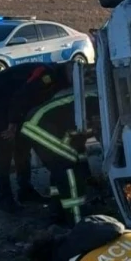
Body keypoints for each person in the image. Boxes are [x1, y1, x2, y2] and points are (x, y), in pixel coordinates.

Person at [0, 62, 68, 212]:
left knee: (23, 145)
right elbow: (21, 96)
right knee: (4, 148)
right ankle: (4, 198)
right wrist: (12, 123)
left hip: (8, 102)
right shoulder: (47, 74)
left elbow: (32, 101)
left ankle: (26, 190)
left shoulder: (55, 76)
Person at [19, 84, 99, 226]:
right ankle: (77, 221)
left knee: (60, 168)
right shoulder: (101, 110)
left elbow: (79, 146)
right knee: (69, 171)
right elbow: (106, 140)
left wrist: (87, 173)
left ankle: (57, 212)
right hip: (41, 127)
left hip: (39, 125)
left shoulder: (95, 103)